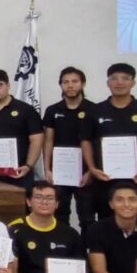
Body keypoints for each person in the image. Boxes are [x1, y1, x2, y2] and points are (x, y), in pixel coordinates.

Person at [80, 63, 137, 221]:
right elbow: (85, 141)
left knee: (135, 219)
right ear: (108, 83)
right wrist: (92, 168)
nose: (119, 83)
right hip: (104, 178)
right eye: (114, 79)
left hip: (136, 177)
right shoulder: (95, 112)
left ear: (133, 83)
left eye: (125, 78)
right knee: (105, 220)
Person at [42, 66, 98, 233]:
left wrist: (92, 171)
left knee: (87, 217)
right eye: (65, 82)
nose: (70, 85)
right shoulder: (53, 110)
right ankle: (63, 253)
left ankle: (88, 253)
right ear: (61, 85)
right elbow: (48, 141)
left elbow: (97, 143)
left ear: (83, 84)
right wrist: (47, 169)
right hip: (60, 172)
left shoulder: (94, 110)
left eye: (74, 81)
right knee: (59, 214)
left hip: (86, 172)